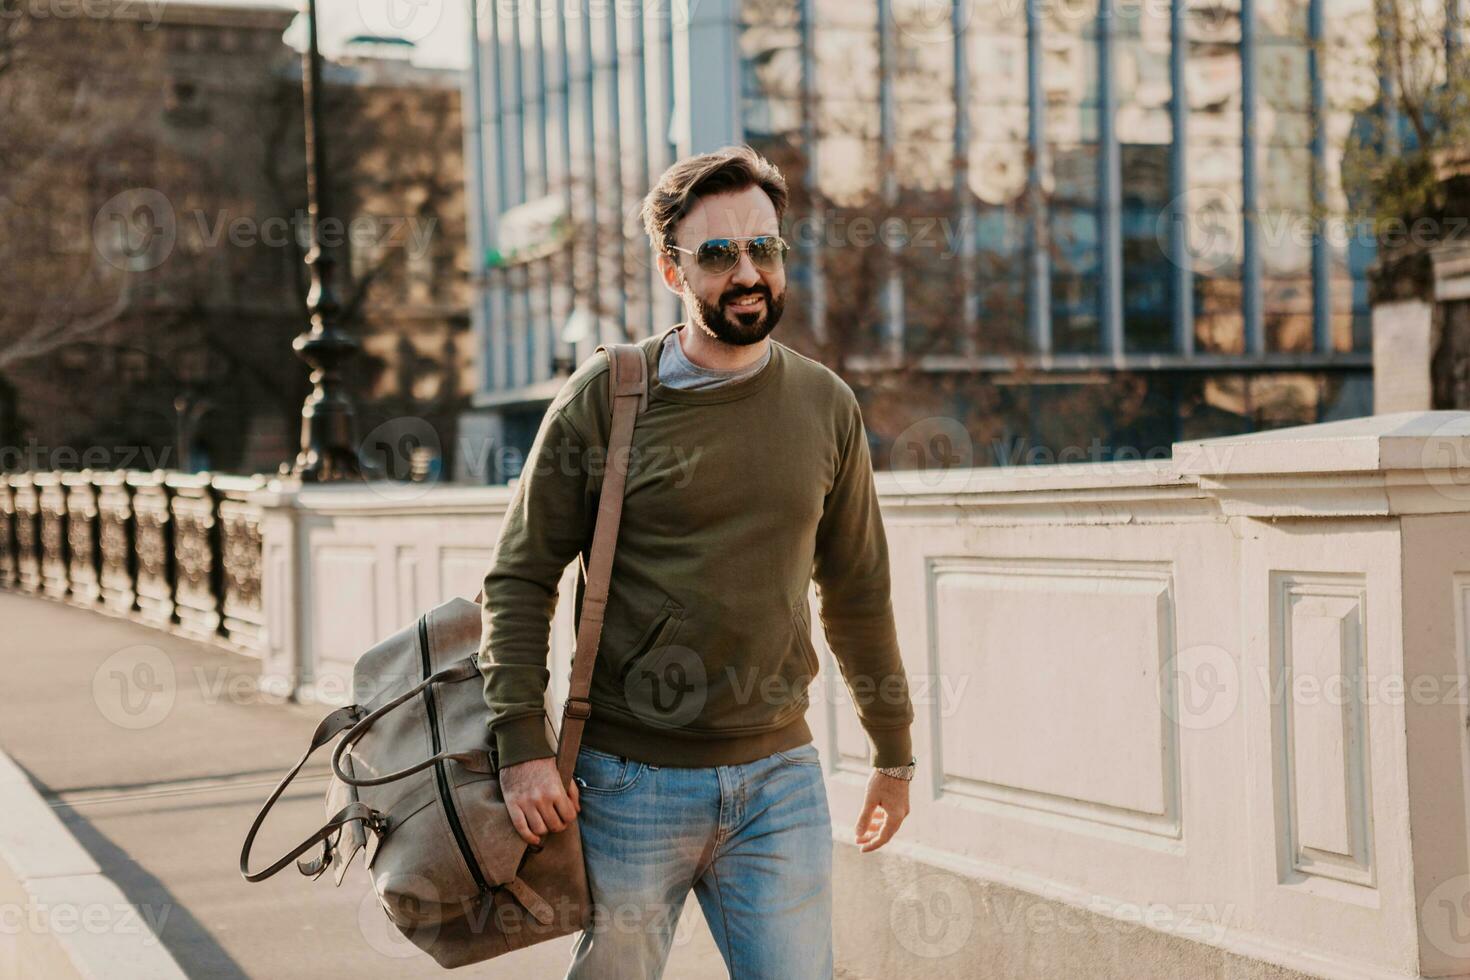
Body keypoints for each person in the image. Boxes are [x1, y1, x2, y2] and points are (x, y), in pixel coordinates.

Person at [479, 144, 916, 980]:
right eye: (718, 254)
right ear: (672, 271)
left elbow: (859, 593)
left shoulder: (825, 404)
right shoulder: (607, 397)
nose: (747, 272)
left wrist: (892, 753)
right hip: (624, 782)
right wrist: (520, 746)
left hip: (780, 778)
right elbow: (520, 576)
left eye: (764, 248)